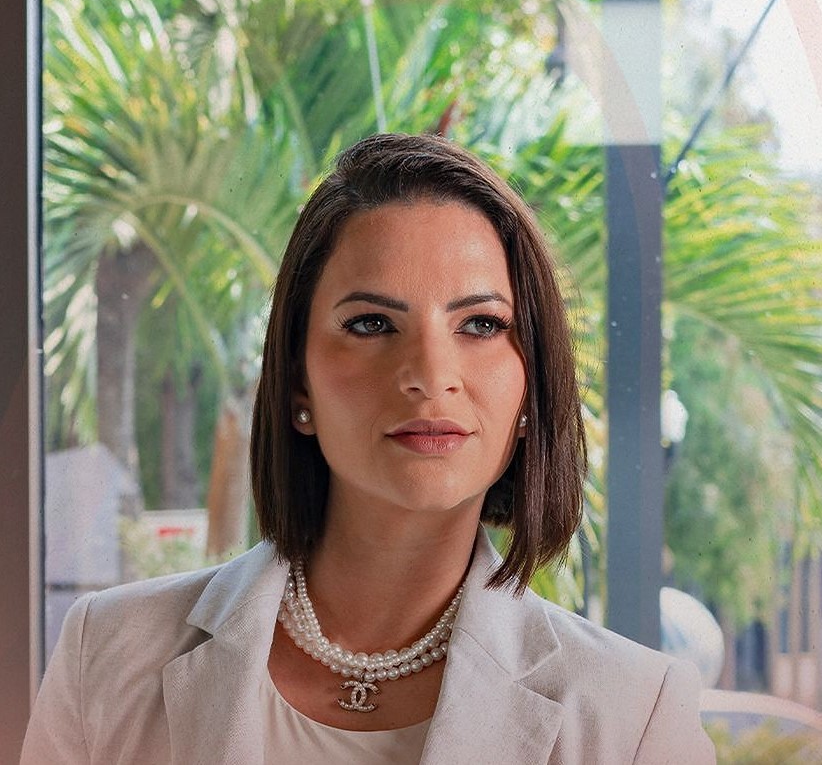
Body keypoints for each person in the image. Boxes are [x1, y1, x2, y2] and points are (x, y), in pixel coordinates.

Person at [22, 133, 715, 764]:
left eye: (480, 324)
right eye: (372, 323)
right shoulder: (105, 655)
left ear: (532, 385)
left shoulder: (635, 716)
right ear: (298, 381)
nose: (430, 375)